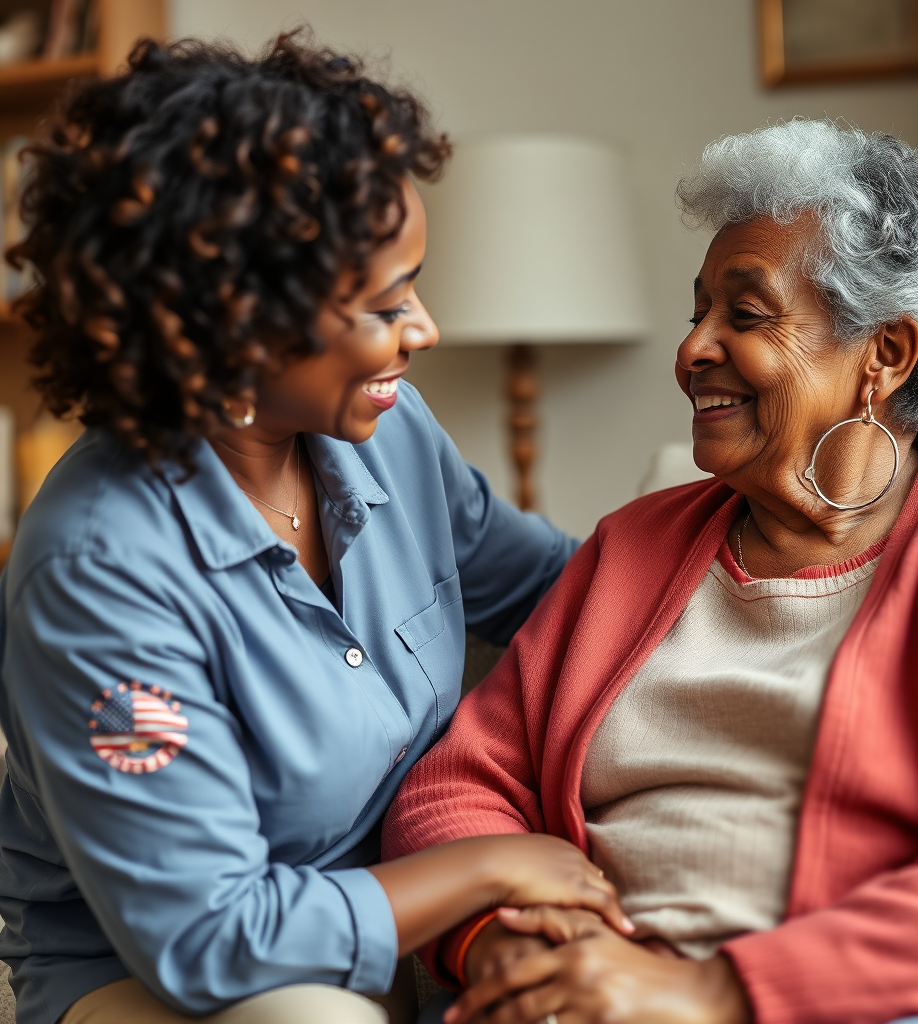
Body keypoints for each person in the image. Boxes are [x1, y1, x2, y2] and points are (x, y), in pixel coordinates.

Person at [0, 34, 633, 1024]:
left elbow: (558, 591)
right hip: (158, 977)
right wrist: (491, 865)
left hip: (400, 922)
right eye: (385, 304)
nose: (423, 328)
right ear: (242, 322)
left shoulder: (389, 436)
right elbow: (208, 937)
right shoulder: (101, 569)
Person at [383, 120, 918, 1024]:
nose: (692, 351)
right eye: (698, 313)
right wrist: (508, 942)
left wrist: (707, 993)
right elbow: (458, 784)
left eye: (746, 315)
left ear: (885, 354)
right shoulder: (633, 548)